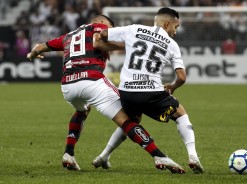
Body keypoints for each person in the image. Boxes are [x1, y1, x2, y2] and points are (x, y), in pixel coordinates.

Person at [26, 15, 185, 174]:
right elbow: (97, 41)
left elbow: (40, 47)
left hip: (68, 85)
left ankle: (69, 153)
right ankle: (158, 155)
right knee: (128, 119)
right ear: (102, 22)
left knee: (82, 110)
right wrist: (128, 44)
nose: (109, 30)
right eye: (109, 26)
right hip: (92, 80)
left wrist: (32, 55)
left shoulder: (68, 35)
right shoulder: (98, 27)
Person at [92, 8, 204, 174]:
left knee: (130, 122)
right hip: (151, 92)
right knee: (181, 114)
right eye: (176, 26)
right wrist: (172, 87)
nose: (175, 32)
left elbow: (102, 34)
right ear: (167, 23)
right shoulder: (172, 45)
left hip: (126, 92)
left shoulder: (133, 29)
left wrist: (123, 45)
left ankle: (103, 157)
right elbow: (182, 77)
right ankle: (193, 156)